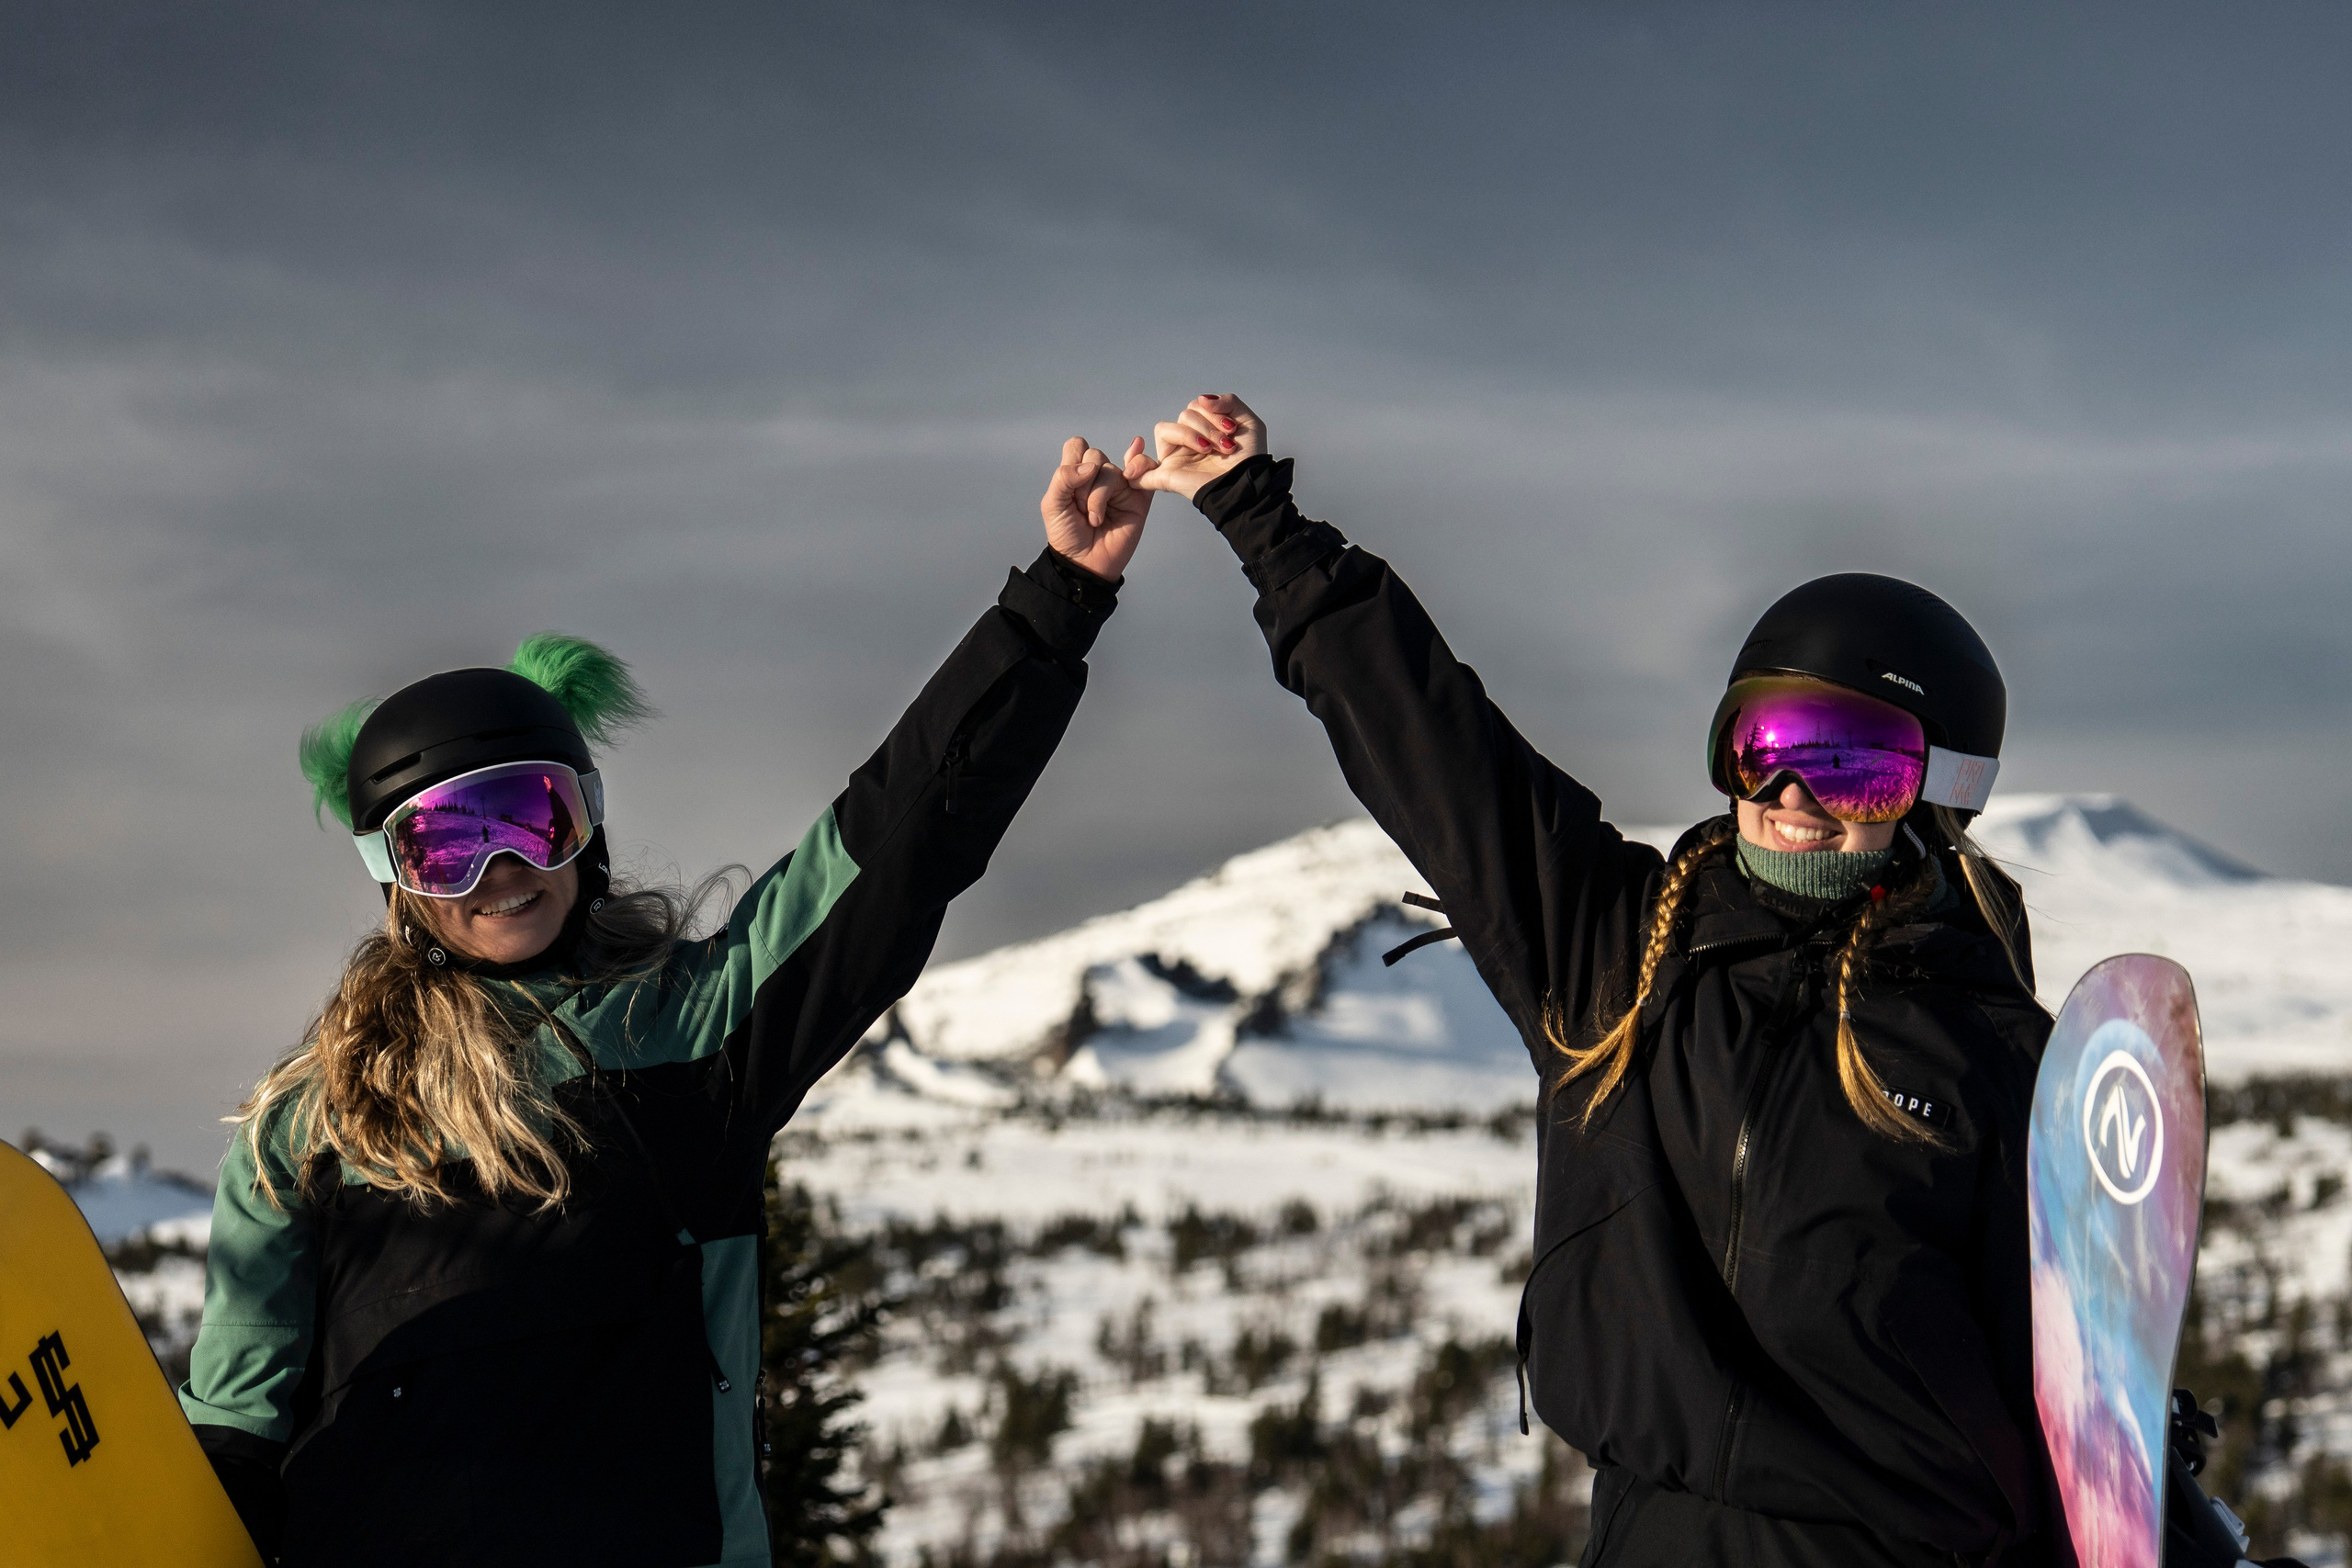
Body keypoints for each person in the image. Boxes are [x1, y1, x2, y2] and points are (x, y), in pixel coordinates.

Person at [180, 437, 1152, 1567]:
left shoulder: (696, 1030)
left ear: (586, 827)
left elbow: (894, 844)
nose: (501, 868)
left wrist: (1056, 601)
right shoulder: (312, 1122)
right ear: (395, 879)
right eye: (446, 845)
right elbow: (237, 1421)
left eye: (531, 818)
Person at [1133, 396, 2052, 1565]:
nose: (1791, 795)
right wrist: (1259, 517)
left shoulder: (1991, 1050)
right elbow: (1433, 742)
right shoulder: (1621, 955)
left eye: (1853, 766)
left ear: (1940, 795)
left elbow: (2070, 1381)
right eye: (1763, 745)